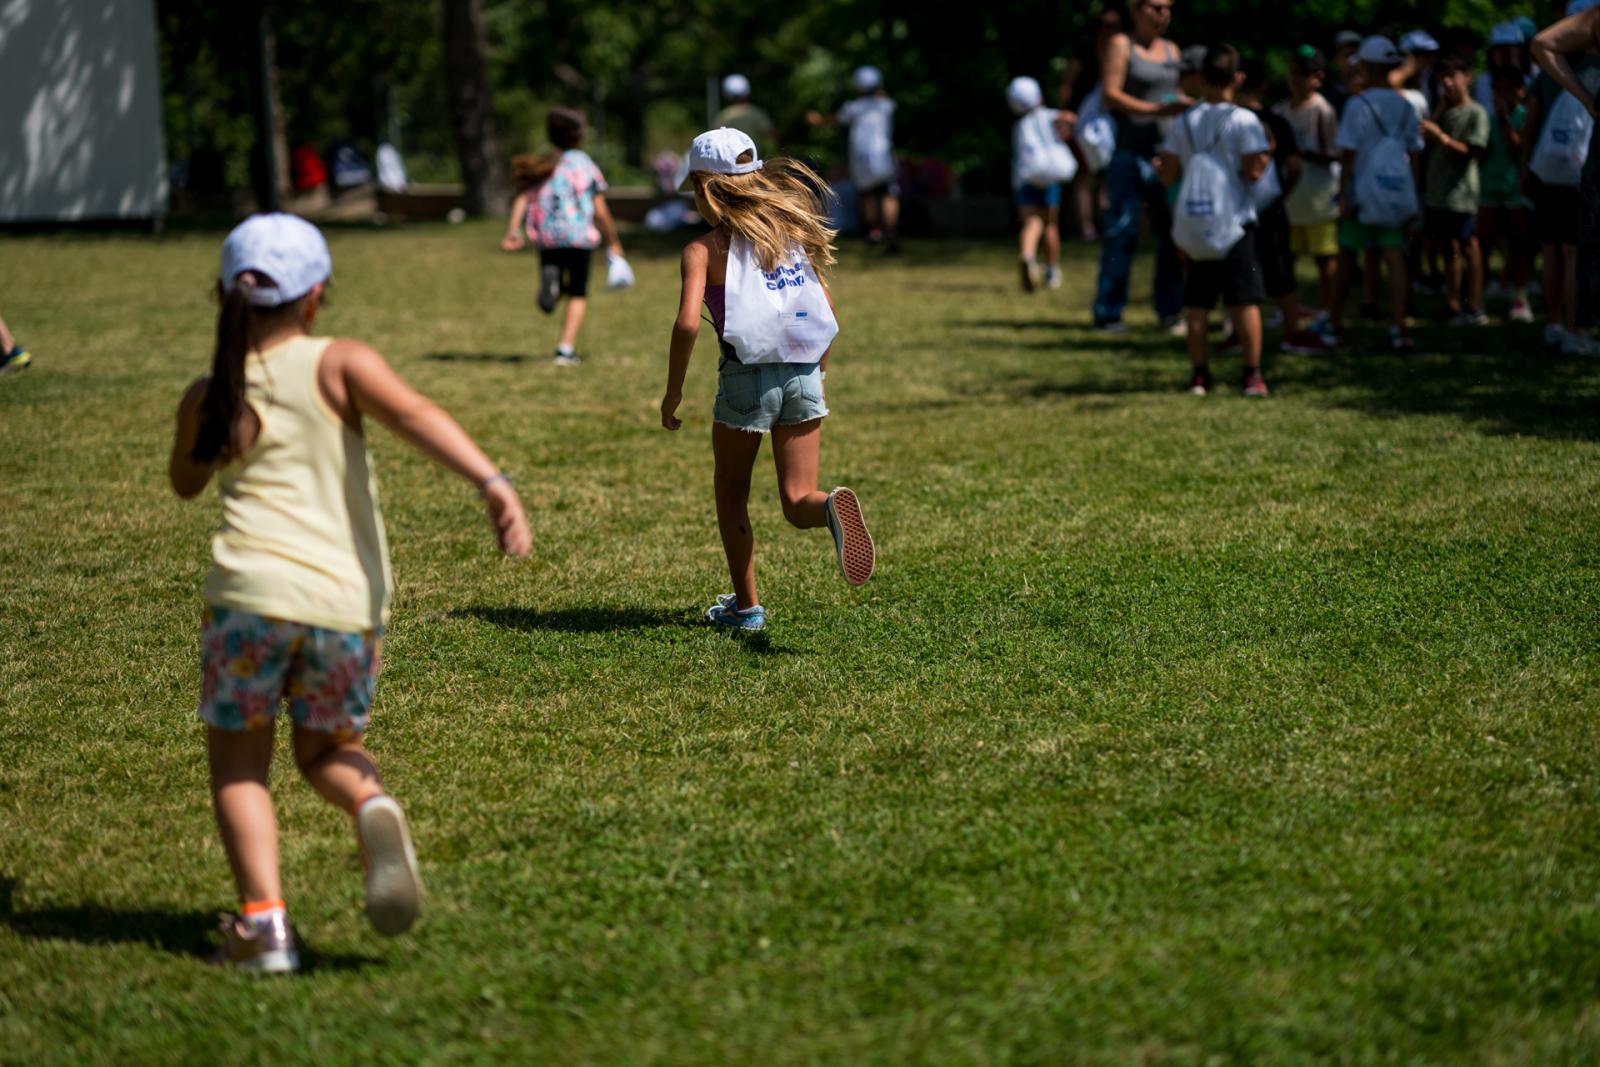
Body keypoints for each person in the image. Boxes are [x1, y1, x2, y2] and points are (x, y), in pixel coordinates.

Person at [167, 214, 532, 973]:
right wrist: (491, 482)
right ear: (315, 297)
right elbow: (414, 414)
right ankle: (368, 803)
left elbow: (185, 481)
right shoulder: (339, 362)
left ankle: (264, 927)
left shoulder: (211, 391)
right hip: (343, 607)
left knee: (241, 765)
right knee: (327, 749)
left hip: (246, 602)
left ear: (219, 295)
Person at [660, 129, 875, 631]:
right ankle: (830, 509)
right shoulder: (791, 236)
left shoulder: (703, 249)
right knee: (798, 499)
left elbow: (688, 323)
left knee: (732, 491)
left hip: (744, 379)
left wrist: (673, 392)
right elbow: (826, 308)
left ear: (704, 188)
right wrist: (818, 367)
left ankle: (747, 607)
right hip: (804, 373)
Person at [1158, 44, 1271, 397]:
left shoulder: (1184, 121)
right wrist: (1265, 160)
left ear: (1201, 77)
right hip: (1236, 222)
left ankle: (1199, 375)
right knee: (1243, 300)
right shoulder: (1244, 120)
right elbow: (1253, 173)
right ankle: (1252, 375)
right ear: (1237, 78)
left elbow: (1169, 174)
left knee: (1197, 303)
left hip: (1196, 222)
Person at [1091, 0, 1191, 332]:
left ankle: (1170, 310)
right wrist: (1153, 111)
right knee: (1121, 231)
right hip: (1129, 154)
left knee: (1170, 234)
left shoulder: (1172, 50)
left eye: (1168, 8)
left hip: (1166, 154)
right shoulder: (1121, 44)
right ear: (1136, 9)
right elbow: (1110, 94)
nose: (1164, 14)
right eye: (1156, 7)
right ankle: (1109, 313)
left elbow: (1173, 92)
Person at [499, 108, 626, 366]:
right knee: (578, 292)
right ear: (579, 137)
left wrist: (513, 229)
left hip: (548, 235)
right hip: (579, 236)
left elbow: (523, 197)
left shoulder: (545, 163)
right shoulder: (584, 165)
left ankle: (553, 283)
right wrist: (613, 240)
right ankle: (565, 350)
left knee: (553, 268)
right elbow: (600, 210)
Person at [1330, 35, 1424, 351]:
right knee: (1394, 257)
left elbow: (1348, 155)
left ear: (1367, 67)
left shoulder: (1357, 104)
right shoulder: (1406, 105)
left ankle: (1334, 324)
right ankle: (1398, 327)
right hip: (1395, 193)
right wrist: (1412, 197)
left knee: (1346, 257)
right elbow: (1414, 154)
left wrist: (1343, 194)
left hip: (1362, 194)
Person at [1532, 0, 1600, 356]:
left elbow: (1532, 117)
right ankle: (1577, 329)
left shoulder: (1550, 68)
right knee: (1577, 252)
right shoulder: (1593, 64)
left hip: (1549, 171)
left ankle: (1554, 324)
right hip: (1582, 170)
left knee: (1552, 250)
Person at [1238, 61, 1310, 353]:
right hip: (1272, 205)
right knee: (1281, 270)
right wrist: (1284, 193)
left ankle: (1235, 335)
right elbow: (1294, 166)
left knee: (1239, 272)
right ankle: (1293, 332)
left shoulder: (1231, 120)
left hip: (1237, 206)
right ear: (1263, 88)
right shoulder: (1276, 122)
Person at [1275, 46, 1343, 343]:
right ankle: (1289, 311)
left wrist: (1304, 154)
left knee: (1325, 259)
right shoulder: (1280, 110)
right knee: (1286, 259)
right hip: (1289, 198)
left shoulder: (1323, 110)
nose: (1296, 79)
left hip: (1318, 197)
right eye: (1294, 72)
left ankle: (1331, 312)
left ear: (1318, 77)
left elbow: (1334, 152)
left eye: (1303, 73)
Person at [1421, 54, 1491, 324]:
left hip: (1461, 194)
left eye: (1453, 77)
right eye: (1442, 80)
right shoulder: (1445, 110)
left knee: (1468, 247)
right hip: (1438, 192)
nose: (1448, 84)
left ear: (1468, 78)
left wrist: (1441, 136)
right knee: (1448, 249)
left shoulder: (1477, 113)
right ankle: (1452, 303)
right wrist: (1439, 111)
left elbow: (1472, 152)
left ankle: (1474, 304)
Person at [808, 67, 900, 251]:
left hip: (861, 158)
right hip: (882, 155)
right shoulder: (885, 104)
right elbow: (886, 98)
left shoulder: (854, 107)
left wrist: (818, 121)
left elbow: (836, 119)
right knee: (887, 194)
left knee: (867, 195)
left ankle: (874, 232)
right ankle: (891, 232)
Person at [1059, 6, 1125, 240]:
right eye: (1106, 25)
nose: (1110, 30)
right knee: (1082, 175)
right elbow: (1068, 83)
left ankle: (1106, 222)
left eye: (1115, 26)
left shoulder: (1124, 52)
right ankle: (1086, 228)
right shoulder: (1085, 53)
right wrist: (1064, 114)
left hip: (1113, 123)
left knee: (1108, 175)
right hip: (1081, 122)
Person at [1478, 64, 1535, 321]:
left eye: (1506, 90)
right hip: (1489, 187)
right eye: (1496, 90)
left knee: (1518, 245)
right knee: (1484, 244)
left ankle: (1520, 298)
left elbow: (1517, 148)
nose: (1500, 96)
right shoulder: (1488, 120)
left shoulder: (1525, 116)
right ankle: (1478, 297)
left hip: (1515, 188)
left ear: (1520, 91)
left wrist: (1504, 120)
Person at [1008, 75, 1075, 291]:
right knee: (1051, 224)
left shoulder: (1019, 127)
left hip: (1026, 178)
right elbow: (1071, 119)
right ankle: (1052, 269)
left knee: (1031, 222)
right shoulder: (1049, 116)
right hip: (1049, 176)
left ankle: (1028, 255)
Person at [714, 74, 778, 156]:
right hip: (755, 162)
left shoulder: (723, 116)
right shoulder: (756, 113)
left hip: (729, 165)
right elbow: (773, 135)